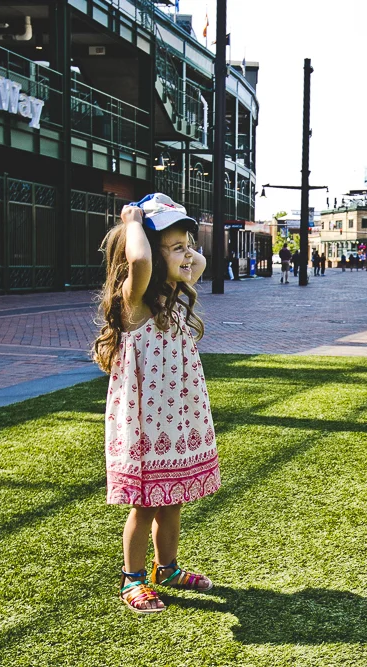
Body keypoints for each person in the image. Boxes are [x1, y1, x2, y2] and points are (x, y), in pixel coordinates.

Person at [92, 193, 220, 614]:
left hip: (176, 420)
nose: (189, 255)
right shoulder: (133, 302)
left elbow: (199, 263)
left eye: (189, 244)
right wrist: (133, 223)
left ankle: (167, 568)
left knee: (173, 498)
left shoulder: (172, 293)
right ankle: (132, 579)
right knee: (144, 504)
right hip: (146, 425)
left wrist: (180, 248)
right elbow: (143, 263)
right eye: (177, 247)